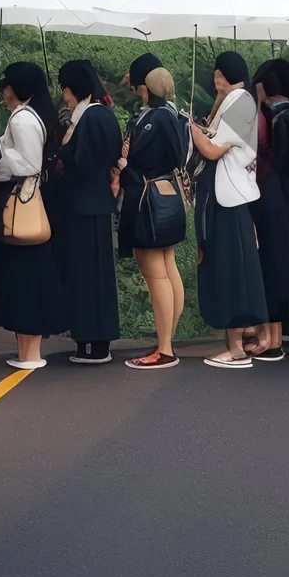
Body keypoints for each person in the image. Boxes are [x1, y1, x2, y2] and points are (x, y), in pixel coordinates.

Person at [189, 52, 268, 368]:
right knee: (237, 268)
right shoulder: (235, 100)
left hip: (229, 196)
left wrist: (191, 128)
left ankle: (235, 348)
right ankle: (249, 338)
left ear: (220, 74)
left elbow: (211, 150)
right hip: (229, 195)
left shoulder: (239, 101)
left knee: (232, 270)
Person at [0, 62, 69, 370]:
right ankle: (27, 351)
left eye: (7, 85)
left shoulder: (22, 119)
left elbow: (27, 164)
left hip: (22, 202)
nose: (4, 91)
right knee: (32, 276)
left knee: (26, 279)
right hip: (37, 201)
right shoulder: (37, 115)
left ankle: (30, 354)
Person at [118, 66, 188, 370]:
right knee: (169, 267)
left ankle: (164, 349)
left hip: (147, 197)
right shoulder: (175, 115)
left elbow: (136, 159)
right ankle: (167, 339)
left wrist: (123, 161)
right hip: (168, 190)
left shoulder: (154, 118)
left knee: (156, 273)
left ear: (146, 87)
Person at [55, 60, 122, 364]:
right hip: (98, 202)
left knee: (83, 277)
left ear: (73, 88)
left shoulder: (88, 118)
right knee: (100, 276)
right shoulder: (105, 115)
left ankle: (87, 342)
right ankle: (101, 341)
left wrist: (65, 145)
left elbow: (80, 162)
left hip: (82, 203)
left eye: (65, 90)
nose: (64, 97)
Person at [247, 60, 289, 362]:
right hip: (286, 195)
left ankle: (270, 340)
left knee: (270, 263)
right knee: (283, 262)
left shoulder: (274, 113)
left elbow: (276, 157)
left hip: (271, 195)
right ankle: (277, 337)